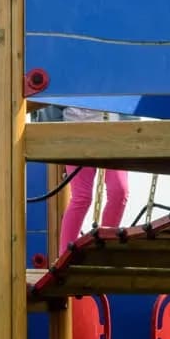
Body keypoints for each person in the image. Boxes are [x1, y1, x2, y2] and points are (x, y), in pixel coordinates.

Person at [57, 107, 130, 251]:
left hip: (113, 133)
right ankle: (65, 253)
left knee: (119, 191)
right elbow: (49, 105)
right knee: (82, 197)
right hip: (75, 133)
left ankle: (105, 244)